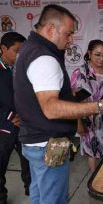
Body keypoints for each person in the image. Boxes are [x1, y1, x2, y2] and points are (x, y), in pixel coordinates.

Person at [13, 4, 103, 204]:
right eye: (68, 34)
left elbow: (37, 96)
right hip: (49, 144)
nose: (71, 41)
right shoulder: (44, 58)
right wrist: (100, 106)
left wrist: (69, 94)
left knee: (39, 195)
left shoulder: (28, 49)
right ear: (51, 29)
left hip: (34, 140)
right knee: (53, 199)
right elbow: (51, 108)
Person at [70, 40, 103, 172]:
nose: (101, 58)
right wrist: (78, 123)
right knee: (92, 151)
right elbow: (74, 101)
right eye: (97, 54)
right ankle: (94, 177)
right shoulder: (81, 73)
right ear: (89, 53)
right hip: (89, 121)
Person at [0, 32, 31, 204]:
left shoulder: (23, 68)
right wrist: (11, 116)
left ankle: (33, 190)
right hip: (3, 128)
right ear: (3, 48)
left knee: (29, 161)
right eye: (16, 50)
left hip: (24, 125)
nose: (20, 55)